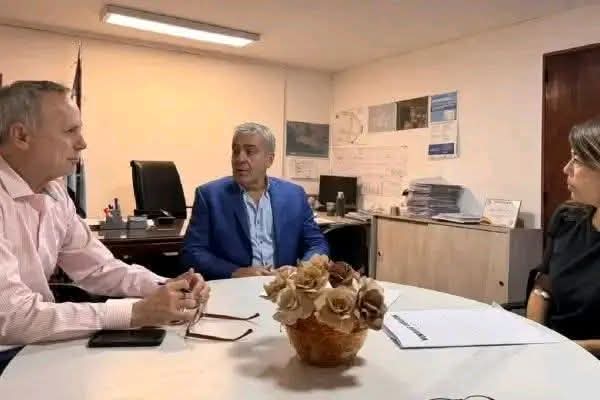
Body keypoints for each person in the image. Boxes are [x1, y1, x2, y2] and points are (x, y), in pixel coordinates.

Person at [0, 81, 210, 350]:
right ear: (21, 136)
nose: (82, 143)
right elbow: (12, 317)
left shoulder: (55, 192)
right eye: (70, 131)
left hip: (29, 347)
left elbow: (98, 268)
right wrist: (135, 313)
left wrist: (169, 287)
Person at [181, 122, 329, 280]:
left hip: (285, 286)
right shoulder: (210, 196)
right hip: (235, 286)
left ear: (269, 160)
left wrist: (301, 269)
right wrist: (235, 271)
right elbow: (192, 252)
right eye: (236, 151)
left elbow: (317, 244)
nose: (240, 159)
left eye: (249, 151)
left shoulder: (294, 195)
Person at [526, 115, 600, 356]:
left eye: (576, 160)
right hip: (550, 352)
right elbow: (543, 287)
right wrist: (533, 335)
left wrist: (570, 350)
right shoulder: (568, 217)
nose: (566, 169)